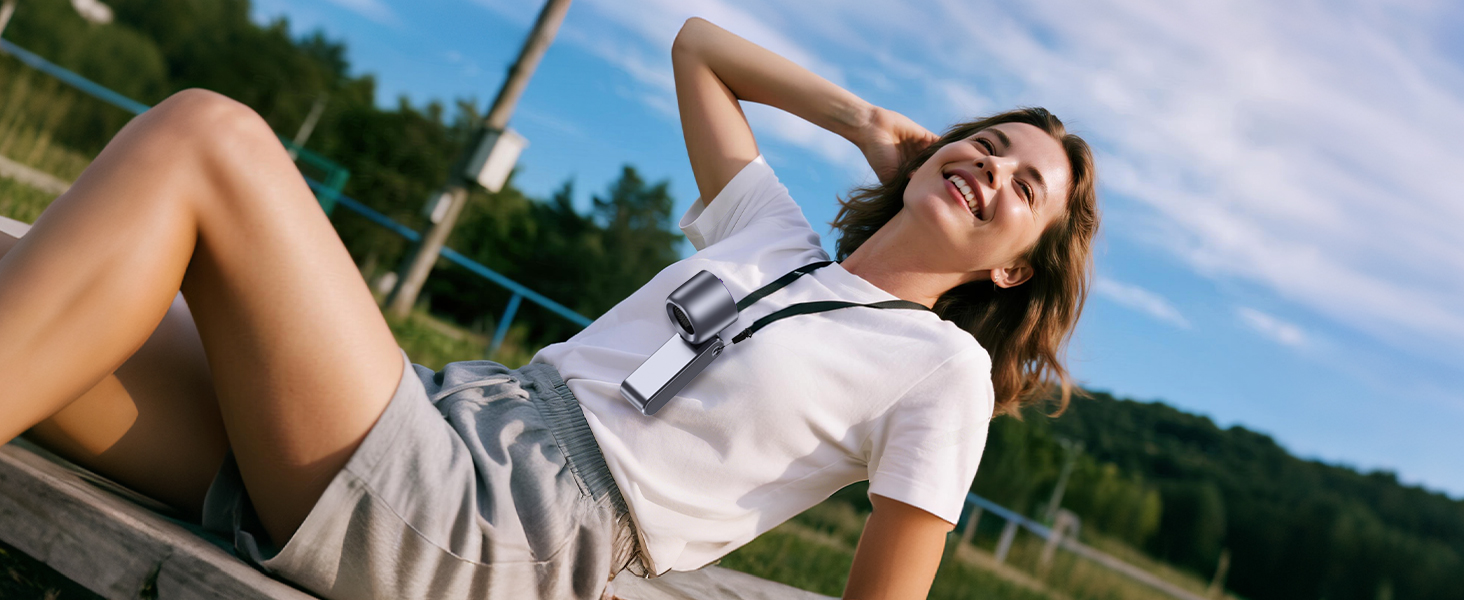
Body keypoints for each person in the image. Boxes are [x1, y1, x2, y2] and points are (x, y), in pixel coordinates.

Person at [0, 15, 1097, 600]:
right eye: (986, 143)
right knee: (22, 266)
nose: (990, 170)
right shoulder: (775, 238)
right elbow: (699, 49)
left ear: (1013, 271)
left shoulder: (939, 371)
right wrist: (862, 118)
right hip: (449, 423)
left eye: (1023, 189)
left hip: (506, 534)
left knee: (210, 137)